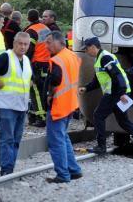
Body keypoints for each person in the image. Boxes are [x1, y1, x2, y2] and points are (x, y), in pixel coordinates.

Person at [79, 37, 133, 159]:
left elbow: (118, 76)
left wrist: (121, 93)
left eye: (86, 49)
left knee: (98, 115)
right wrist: (86, 88)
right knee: (123, 121)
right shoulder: (100, 59)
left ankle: (101, 146)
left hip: (115, 93)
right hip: (118, 93)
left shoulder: (105, 57)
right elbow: (98, 80)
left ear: (93, 47)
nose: (85, 52)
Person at [0, 32, 33, 176]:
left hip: (21, 105)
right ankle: (6, 169)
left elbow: (31, 79)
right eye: (20, 43)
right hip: (6, 105)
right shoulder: (6, 57)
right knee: (7, 138)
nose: (23, 47)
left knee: (16, 139)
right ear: (14, 43)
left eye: (26, 44)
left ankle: (9, 168)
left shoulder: (26, 60)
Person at [44, 32, 82, 183]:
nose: (46, 46)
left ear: (59, 42)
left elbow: (55, 80)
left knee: (56, 140)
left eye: (49, 43)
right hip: (71, 103)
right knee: (63, 137)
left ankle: (63, 175)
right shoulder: (72, 56)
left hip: (59, 105)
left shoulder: (57, 60)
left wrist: (49, 94)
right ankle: (74, 170)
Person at [24, 9, 52, 127]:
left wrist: (24, 62)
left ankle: (41, 117)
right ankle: (36, 115)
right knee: (43, 91)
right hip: (47, 63)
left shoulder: (31, 31)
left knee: (35, 91)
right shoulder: (46, 28)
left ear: (28, 18)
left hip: (37, 64)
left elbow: (29, 50)